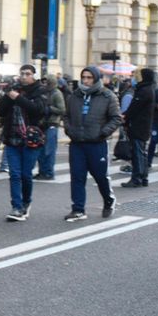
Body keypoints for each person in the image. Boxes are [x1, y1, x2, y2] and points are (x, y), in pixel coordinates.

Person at [63, 67, 121, 221]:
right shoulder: (74, 96)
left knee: (100, 176)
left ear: (95, 79)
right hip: (77, 143)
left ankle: (109, 200)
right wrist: (69, 130)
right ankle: (78, 209)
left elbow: (116, 118)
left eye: (89, 77)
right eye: (84, 77)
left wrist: (103, 132)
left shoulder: (107, 96)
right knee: (77, 176)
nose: (86, 80)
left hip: (97, 143)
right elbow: (66, 116)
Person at [0, 64, 50, 221]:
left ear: (33, 75)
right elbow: (0, 111)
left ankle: (26, 202)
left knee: (26, 174)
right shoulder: (13, 89)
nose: (24, 76)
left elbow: (37, 110)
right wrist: (8, 96)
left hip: (31, 139)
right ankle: (16, 206)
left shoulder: (40, 90)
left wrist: (18, 98)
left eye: (27, 74)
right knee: (14, 174)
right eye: (22, 73)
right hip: (12, 138)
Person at [120, 68, 157, 188]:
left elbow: (134, 108)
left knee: (137, 153)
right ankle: (143, 177)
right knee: (141, 152)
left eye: (137, 75)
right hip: (142, 126)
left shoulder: (144, 90)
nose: (135, 78)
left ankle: (137, 178)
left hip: (138, 126)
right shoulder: (148, 89)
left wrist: (125, 117)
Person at [35, 74, 65, 180]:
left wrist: (50, 108)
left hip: (52, 124)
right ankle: (42, 171)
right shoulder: (43, 93)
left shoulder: (57, 94)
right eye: (43, 82)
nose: (44, 84)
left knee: (49, 151)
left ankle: (49, 172)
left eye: (46, 82)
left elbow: (62, 109)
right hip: (42, 124)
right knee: (41, 151)